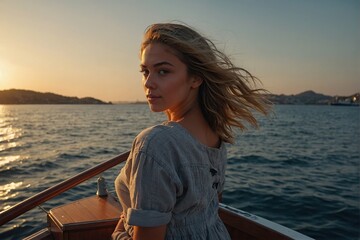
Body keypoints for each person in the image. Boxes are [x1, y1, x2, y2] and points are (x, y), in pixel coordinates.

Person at [112, 23, 270, 240]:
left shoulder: (155, 144)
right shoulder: (216, 137)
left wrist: (119, 235)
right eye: (145, 71)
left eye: (163, 71)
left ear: (195, 78)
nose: (148, 82)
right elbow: (209, 206)